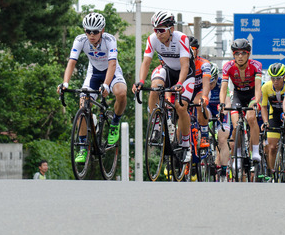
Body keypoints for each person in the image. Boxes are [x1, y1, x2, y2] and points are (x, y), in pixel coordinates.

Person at [60, 13, 127, 163]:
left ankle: (115, 123)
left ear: (102, 30)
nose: (91, 35)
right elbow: (72, 62)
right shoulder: (80, 40)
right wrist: (65, 83)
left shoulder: (110, 40)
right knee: (83, 104)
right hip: (94, 73)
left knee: (121, 93)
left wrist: (106, 84)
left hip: (112, 72)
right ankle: (83, 147)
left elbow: (112, 64)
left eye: (95, 32)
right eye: (88, 31)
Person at [133, 10, 195, 163]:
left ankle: (186, 144)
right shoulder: (152, 39)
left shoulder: (181, 38)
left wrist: (180, 83)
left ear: (170, 29)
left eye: (161, 30)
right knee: (155, 87)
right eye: (155, 30)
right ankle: (155, 125)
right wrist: (140, 81)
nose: (158, 34)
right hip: (167, 70)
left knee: (180, 107)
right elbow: (146, 62)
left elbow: (185, 65)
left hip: (185, 74)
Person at [219, 38, 263, 164]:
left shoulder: (256, 65)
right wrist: (222, 103)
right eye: (237, 53)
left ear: (248, 54)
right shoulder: (228, 66)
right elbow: (224, 88)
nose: (240, 56)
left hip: (252, 95)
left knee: (251, 118)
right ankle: (237, 154)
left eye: (243, 53)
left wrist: (256, 102)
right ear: (233, 55)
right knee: (236, 124)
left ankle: (255, 150)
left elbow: (258, 87)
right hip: (238, 94)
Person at [260, 63, 285, 178]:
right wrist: (265, 122)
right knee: (272, 147)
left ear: (284, 77)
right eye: (273, 78)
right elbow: (264, 106)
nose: (275, 81)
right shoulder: (266, 87)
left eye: (278, 78)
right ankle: (272, 172)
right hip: (273, 115)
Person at [188, 36, 212, 150]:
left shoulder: (204, 63)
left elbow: (206, 82)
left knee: (199, 103)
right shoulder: (180, 63)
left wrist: (205, 96)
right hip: (187, 91)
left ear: (197, 50)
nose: (189, 51)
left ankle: (204, 132)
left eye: (192, 49)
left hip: (200, 89)